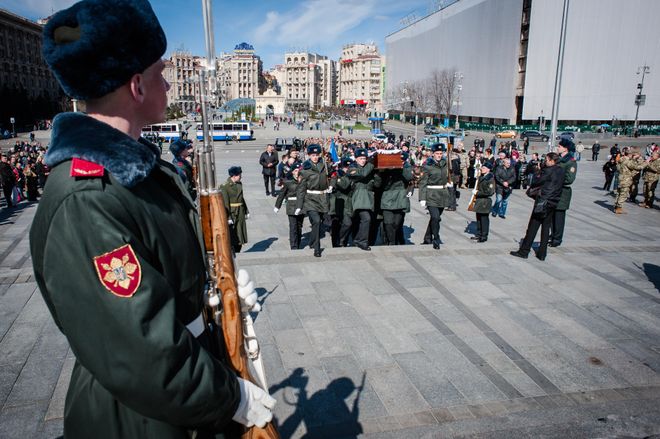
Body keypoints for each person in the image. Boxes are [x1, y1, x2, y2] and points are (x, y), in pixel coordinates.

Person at [30, 0, 274, 437]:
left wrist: (217, 294)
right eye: (162, 73)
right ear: (138, 86)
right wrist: (230, 397)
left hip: (178, 401)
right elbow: (144, 352)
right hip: (142, 418)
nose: (168, 83)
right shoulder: (88, 198)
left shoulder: (144, 171)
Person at [510, 153, 565, 261]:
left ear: (551, 161)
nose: (545, 161)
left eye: (547, 160)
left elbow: (536, 181)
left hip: (543, 202)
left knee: (532, 227)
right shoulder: (561, 170)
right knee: (546, 228)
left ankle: (524, 251)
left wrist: (538, 171)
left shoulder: (548, 171)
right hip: (553, 202)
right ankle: (542, 253)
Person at [296, 144, 330, 257]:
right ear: (309, 155)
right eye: (313, 155)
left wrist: (331, 185)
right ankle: (317, 248)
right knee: (315, 221)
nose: (315, 157)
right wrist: (299, 206)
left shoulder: (324, 165)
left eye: (317, 155)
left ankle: (312, 242)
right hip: (310, 199)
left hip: (322, 199)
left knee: (319, 223)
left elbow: (333, 175)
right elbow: (301, 189)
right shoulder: (305, 168)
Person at [347, 148, 380, 251]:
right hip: (358, 198)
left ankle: (357, 239)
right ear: (356, 159)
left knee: (361, 221)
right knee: (366, 218)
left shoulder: (368, 169)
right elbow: (363, 174)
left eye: (365, 158)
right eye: (361, 158)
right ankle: (362, 241)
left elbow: (377, 184)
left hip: (369, 199)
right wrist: (372, 163)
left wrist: (378, 174)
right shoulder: (352, 169)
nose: (363, 160)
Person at [419, 143, 451, 249]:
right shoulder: (427, 165)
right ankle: (436, 238)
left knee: (435, 219)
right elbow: (423, 182)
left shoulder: (444, 163)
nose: (439, 155)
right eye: (437, 153)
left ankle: (427, 238)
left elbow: (448, 175)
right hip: (431, 195)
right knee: (435, 217)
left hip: (442, 195)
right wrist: (422, 198)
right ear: (432, 154)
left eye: (441, 153)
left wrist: (449, 182)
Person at [379, 155, 413, 245]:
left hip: (400, 198)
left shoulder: (406, 166)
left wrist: (402, 167)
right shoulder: (386, 168)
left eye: (402, 160)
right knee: (388, 223)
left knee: (397, 224)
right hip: (387, 198)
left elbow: (409, 177)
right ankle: (391, 242)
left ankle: (394, 241)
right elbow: (379, 183)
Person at [549, 138, 577, 247]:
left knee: (559, 218)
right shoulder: (560, 159)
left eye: (560, 146)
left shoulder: (571, 161)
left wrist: (555, 180)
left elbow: (569, 179)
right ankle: (552, 236)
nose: (558, 148)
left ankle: (557, 239)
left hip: (562, 193)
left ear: (565, 148)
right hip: (554, 191)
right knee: (552, 217)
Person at [274, 163, 305, 249]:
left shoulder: (304, 181)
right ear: (292, 172)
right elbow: (282, 194)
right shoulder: (288, 182)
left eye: (299, 170)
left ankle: (298, 243)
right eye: (295, 170)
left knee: (299, 226)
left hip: (301, 206)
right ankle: (294, 246)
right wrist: (277, 206)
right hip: (291, 206)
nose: (297, 172)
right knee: (293, 226)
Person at [221, 166, 250, 252]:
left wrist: (246, 210)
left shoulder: (239, 184)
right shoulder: (225, 186)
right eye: (239, 175)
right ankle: (233, 250)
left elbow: (242, 198)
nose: (241, 176)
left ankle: (238, 248)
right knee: (233, 234)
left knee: (240, 232)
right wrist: (228, 217)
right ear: (234, 176)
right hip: (232, 212)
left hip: (240, 211)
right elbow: (225, 203)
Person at [470, 162, 495, 243]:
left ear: (488, 169)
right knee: (479, 218)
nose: (482, 169)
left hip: (485, 201)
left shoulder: (490, 179)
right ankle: (479, 233)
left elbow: (489, 192)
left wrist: (477, 193)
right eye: (482, 168)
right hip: (479, 201)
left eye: (484, 168)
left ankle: (484, 236)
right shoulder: (481, 177)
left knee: (484, 219)